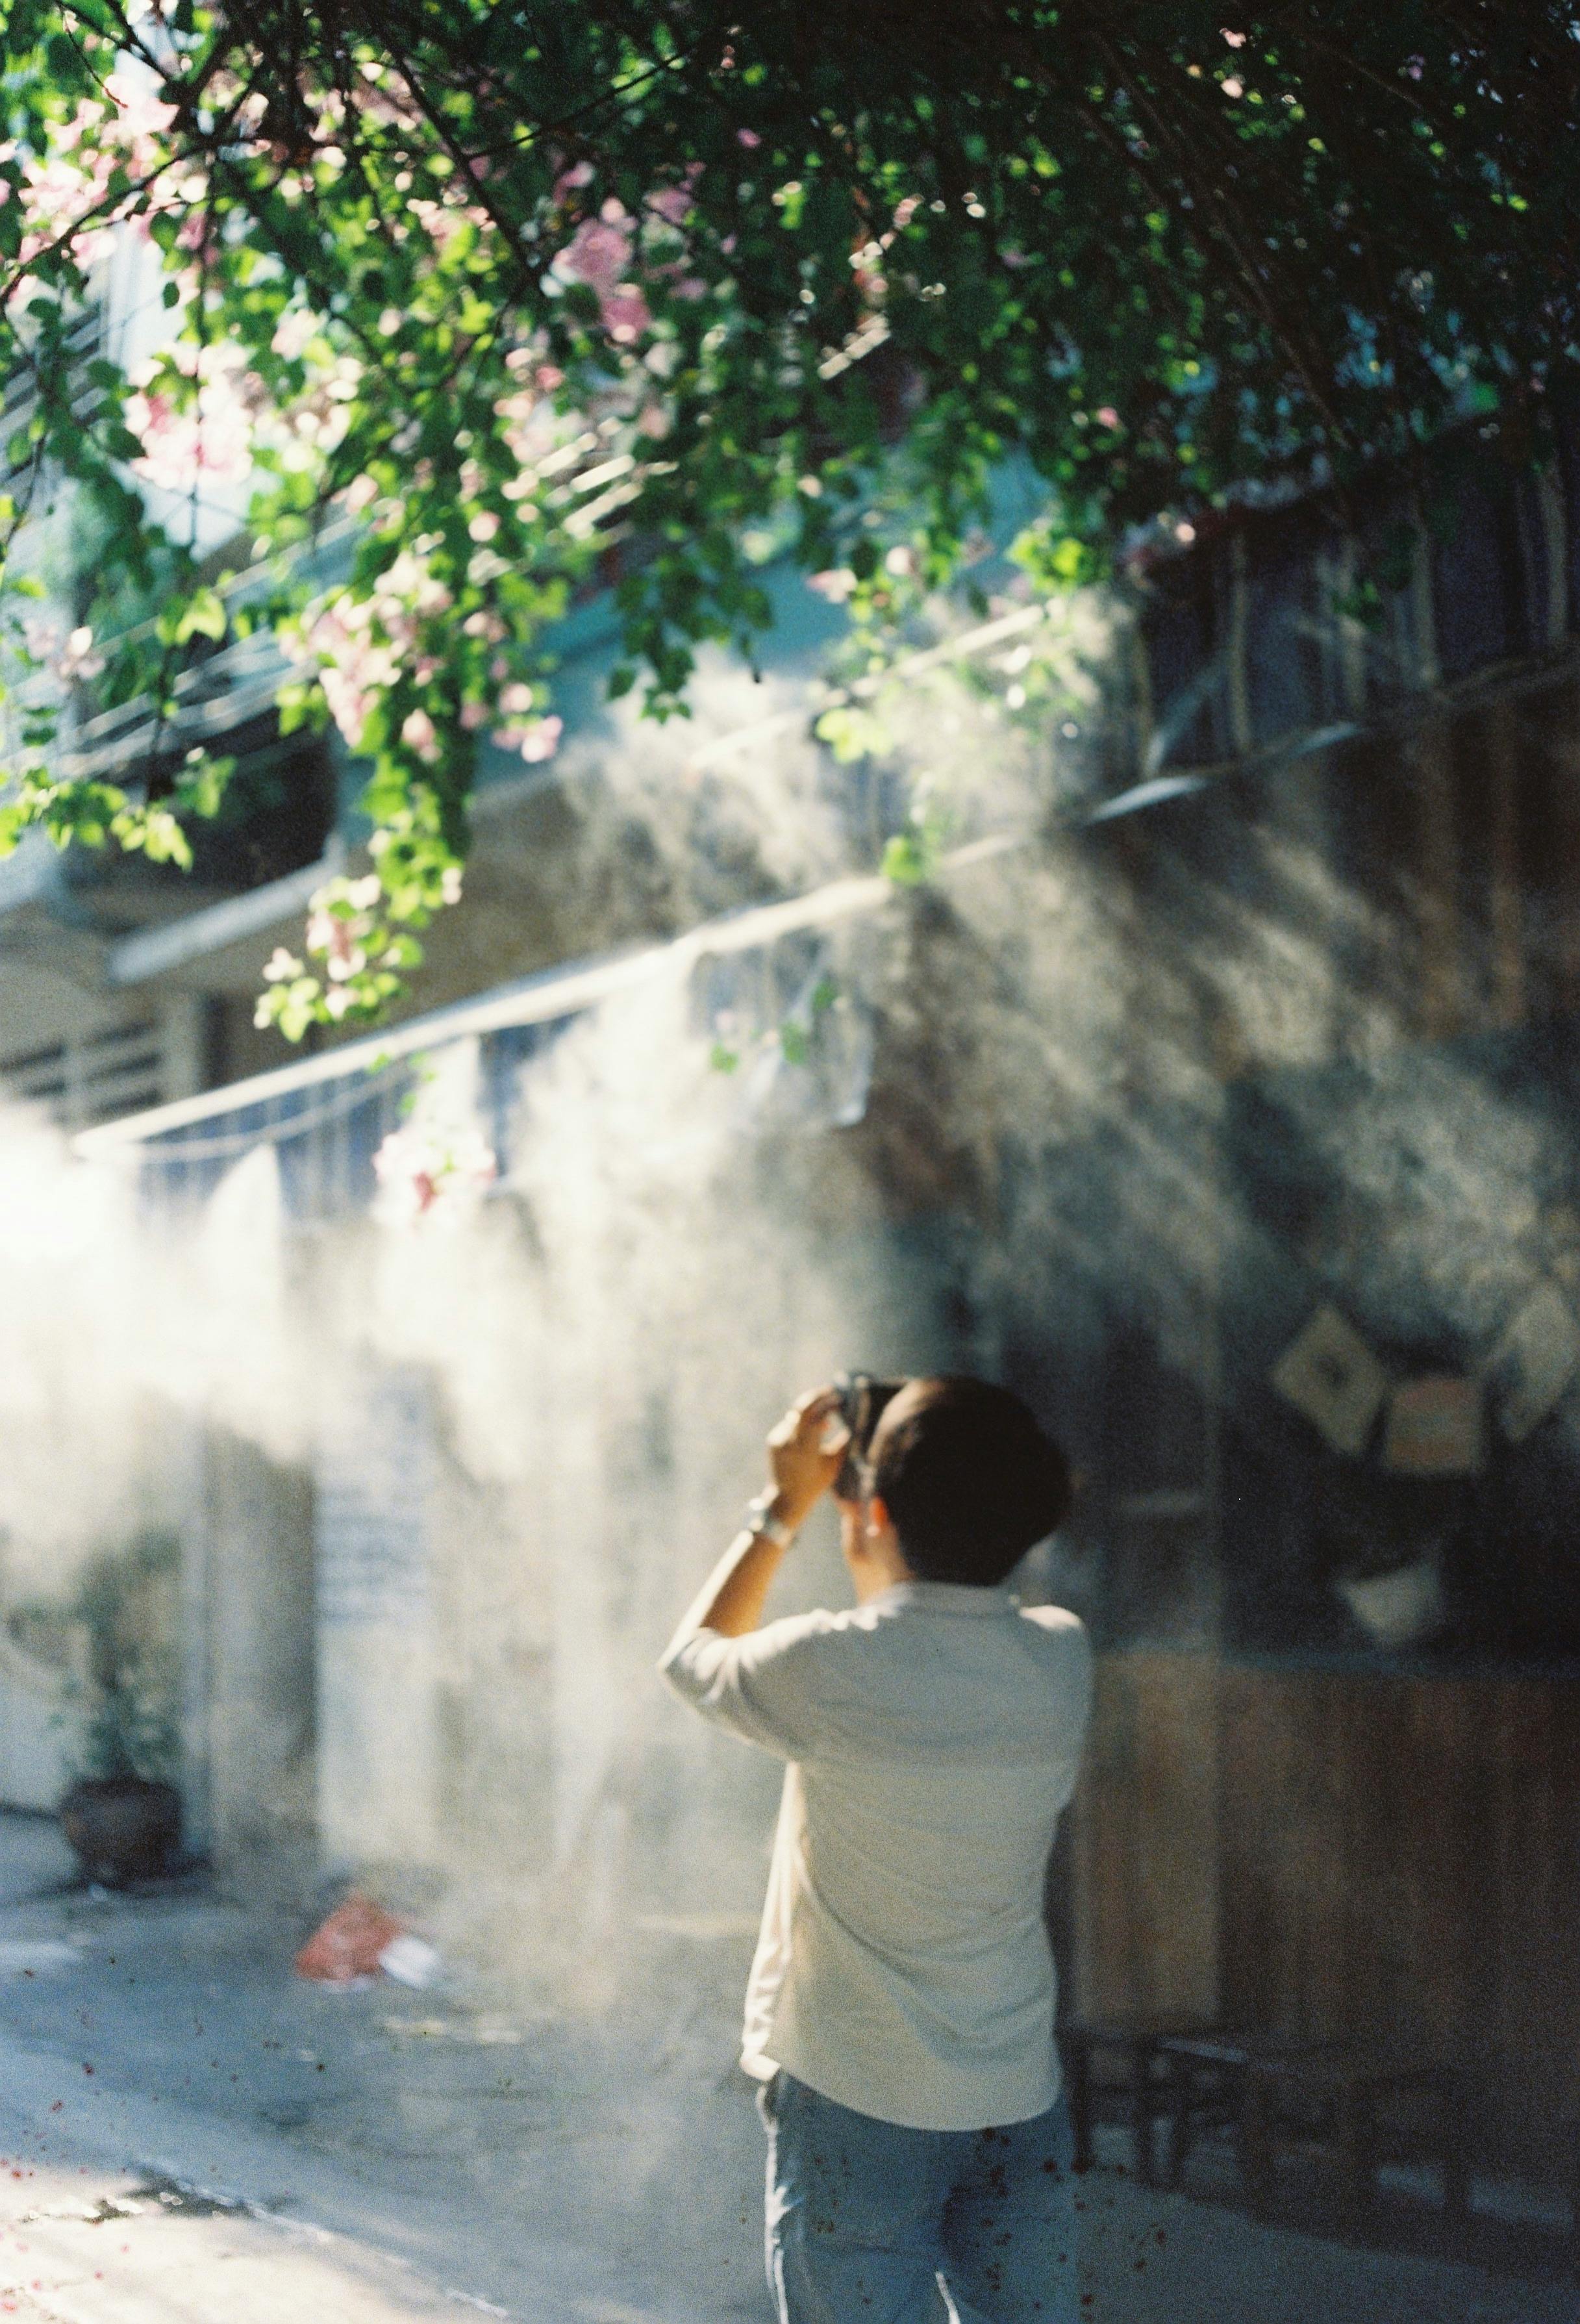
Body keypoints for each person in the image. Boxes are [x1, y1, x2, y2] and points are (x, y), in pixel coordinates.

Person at [658, 1374, 1093, 2324]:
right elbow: (915, 1621)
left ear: (879, 1512)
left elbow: (691, 1656)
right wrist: (881, 1509)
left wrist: (785, 1505)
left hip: (855, 2096)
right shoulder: (1061, 1655)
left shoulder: (830, 1666)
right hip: (1014, 2092)